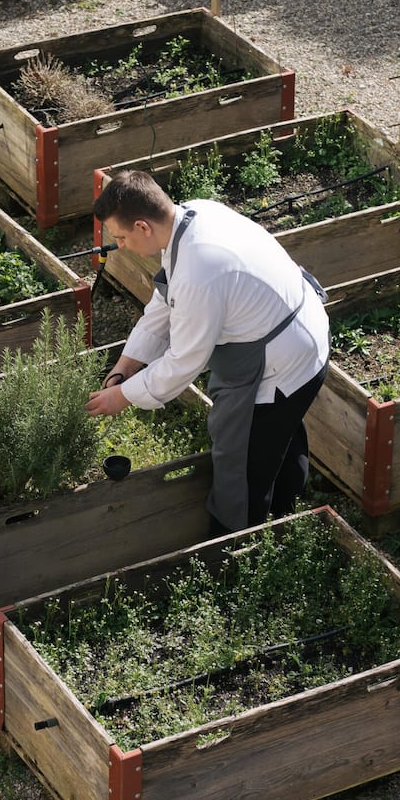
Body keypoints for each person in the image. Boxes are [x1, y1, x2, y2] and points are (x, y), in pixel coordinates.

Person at [86, 169, 330, 535]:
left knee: (241, 461)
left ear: (143, 227)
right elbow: (164, 303)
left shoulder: (201, 272)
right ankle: (285, 517)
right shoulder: (193, 216)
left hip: (282, 362)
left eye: (121, 236)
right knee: (279, 435)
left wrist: (122, 397)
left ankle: (233, 545)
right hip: (301, 335)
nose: (120, 245)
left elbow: (184, 362)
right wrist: (125, 365)